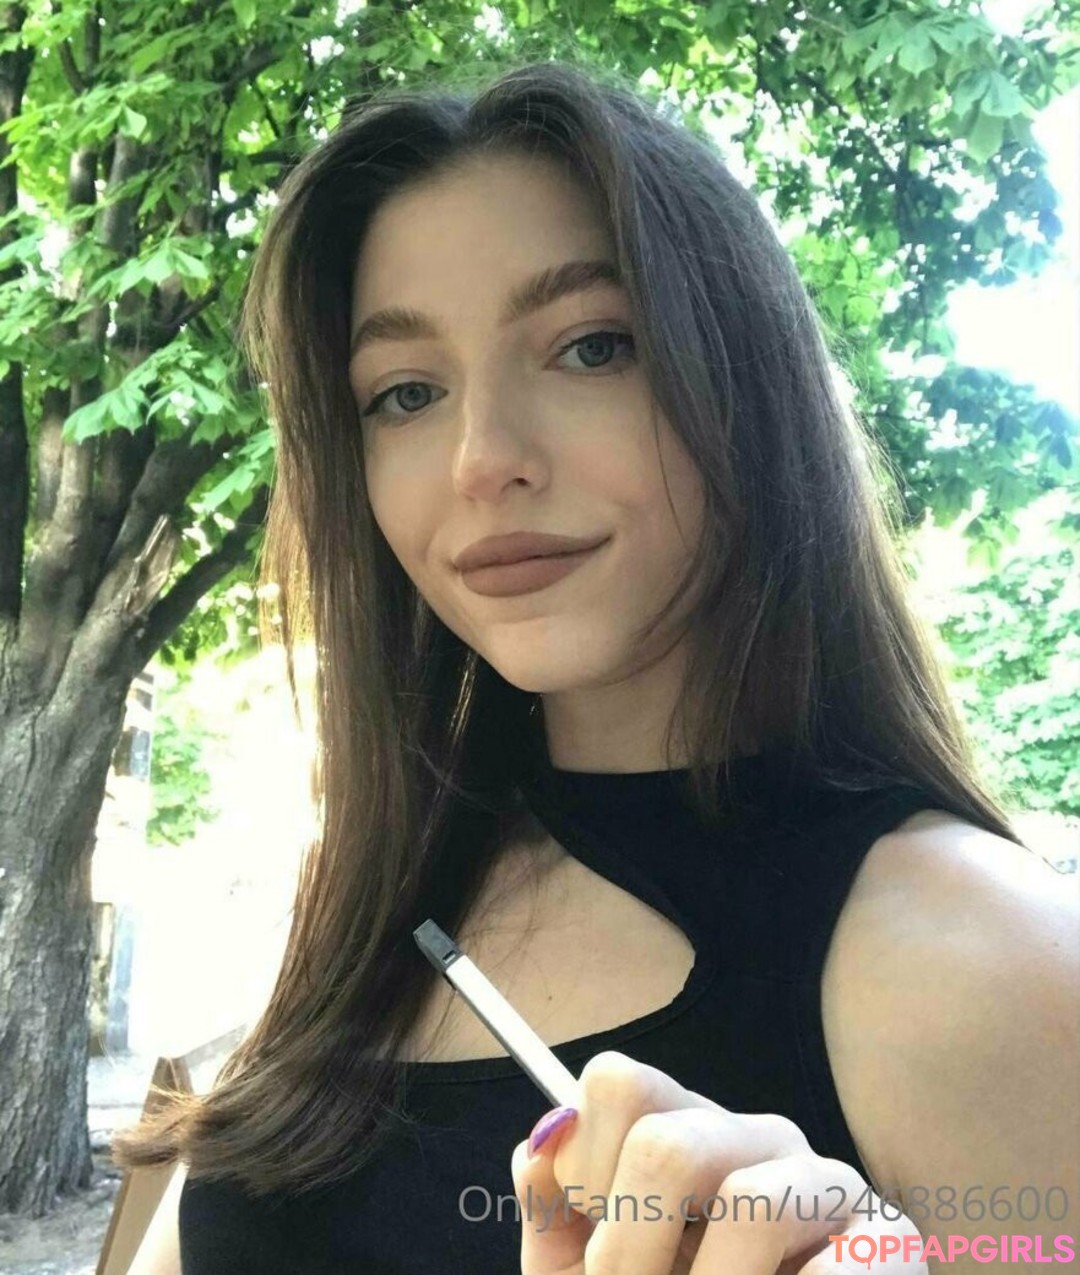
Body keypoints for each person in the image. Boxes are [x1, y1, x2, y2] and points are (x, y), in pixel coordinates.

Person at [113, 58, 1078, 1275]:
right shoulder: (385, 896)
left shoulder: (981, 958)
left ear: (747, 385)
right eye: (404, 393)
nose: (483, 459)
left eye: (590, 347)